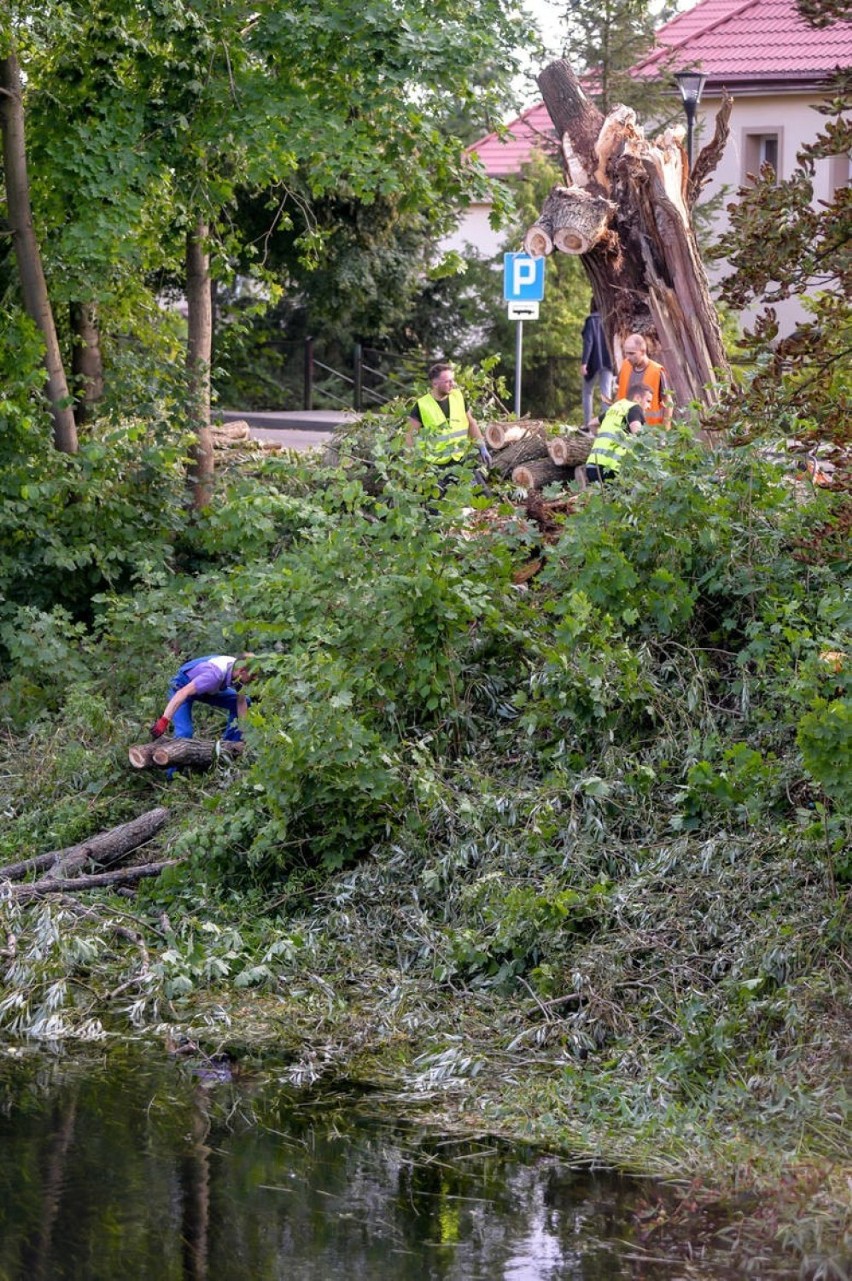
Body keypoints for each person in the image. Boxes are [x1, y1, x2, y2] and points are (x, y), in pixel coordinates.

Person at [406, 362, 491, 489]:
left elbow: (471, 423)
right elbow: (410, 436)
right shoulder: (422, 405)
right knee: (439, 506)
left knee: (481, 497)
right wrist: (411, 466)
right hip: (436, 466)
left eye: (452, 380)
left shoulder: (458, 397)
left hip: (461, 460)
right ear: (435, 383)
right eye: (447, 381)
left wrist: (482, 446)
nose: (452, 384)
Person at [149, 654, 255, 742]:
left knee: (245, 701)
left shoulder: (238, 673)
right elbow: (182, 693)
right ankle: (173, 767)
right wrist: (164, 720)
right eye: (253, 675)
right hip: (182, 687)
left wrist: (244, 733)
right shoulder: (214, 675)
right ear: (242, 671)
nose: (255, 678)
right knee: (185, 734)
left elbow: (241, 703)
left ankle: (230, 748)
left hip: (208, 689)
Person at [585, 382, 654, 483]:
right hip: (613, 470)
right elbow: (638, 434)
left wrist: (600, 438)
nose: (649, 406)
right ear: (638, 398)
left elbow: (591, 424)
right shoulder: (635, 408)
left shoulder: (615, 407)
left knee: (601, 497)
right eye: (648, 401)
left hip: (592, 466)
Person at [615, 333, 672, 428]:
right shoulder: (625, 366)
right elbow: (619, 395)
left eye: (632, 353)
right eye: (626, 353)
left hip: (650, 433)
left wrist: (665, 434)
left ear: (642, 351)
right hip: (625, 430)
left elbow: (669, 404)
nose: (627, 357)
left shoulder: (657, 371)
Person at [580, 298, 614, 426]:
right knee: (606, 393)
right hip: (608, 361)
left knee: (587, 392)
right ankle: (607, 424)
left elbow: (589, 342)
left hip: (593, 362)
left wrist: (584, 362)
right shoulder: (610, 318)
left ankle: (588, 423)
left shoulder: (591, 320)